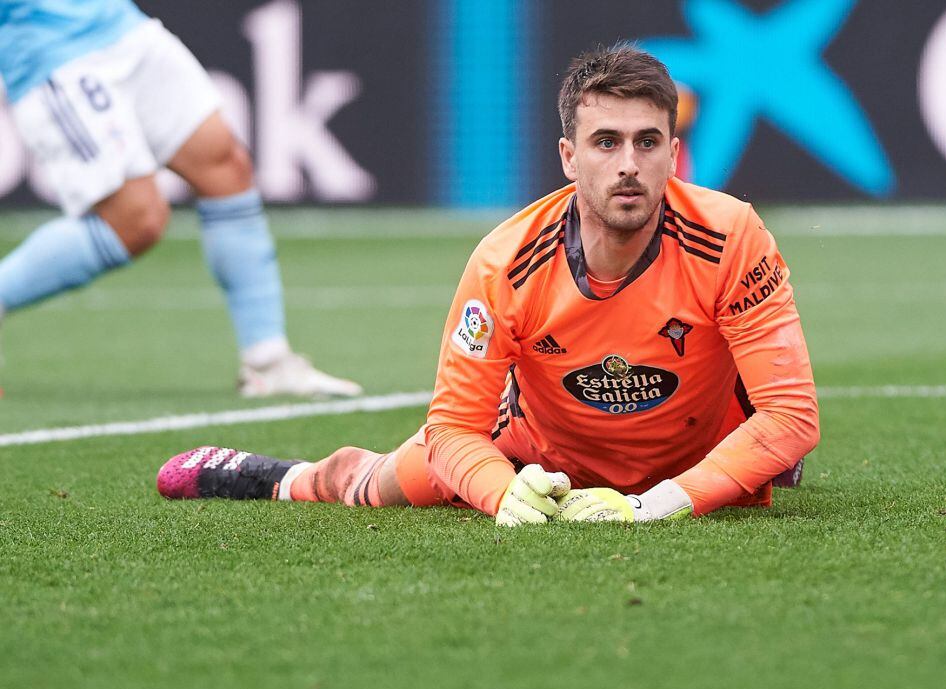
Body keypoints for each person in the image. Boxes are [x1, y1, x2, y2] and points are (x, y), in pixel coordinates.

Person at [157, 44, 819, 524]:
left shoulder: (733, 235)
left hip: (692, 457)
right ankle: (280, 478)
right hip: (543, 455)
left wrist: (655, 505)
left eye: (648, 143)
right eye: (605, 142)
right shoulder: (504, 262)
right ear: (567, 157)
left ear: (674, 155)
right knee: (391, 481)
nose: (628, 165)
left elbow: (791, 416)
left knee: (766, 449)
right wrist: (504, 493)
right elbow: (453, 428)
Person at [0, 0, 360, 398]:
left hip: (122, 26)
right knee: (136, 220)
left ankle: (268, 362)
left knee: (225, 166)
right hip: (54, 51)